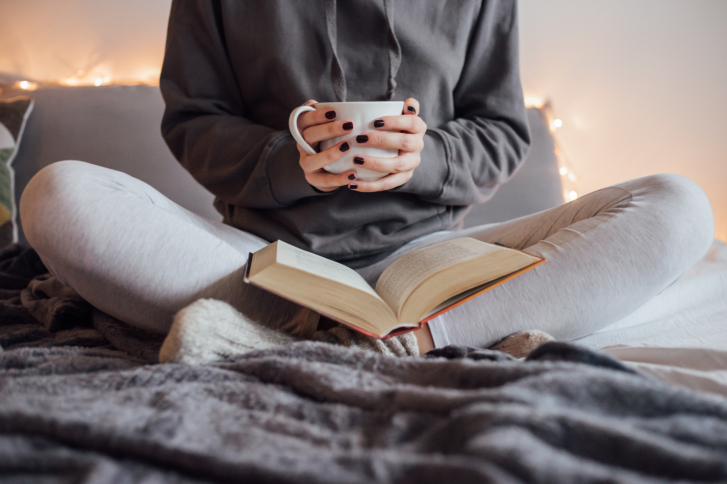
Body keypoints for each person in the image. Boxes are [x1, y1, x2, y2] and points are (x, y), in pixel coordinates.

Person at [19, 0, 714, 358]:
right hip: (260, 258)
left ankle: (401, 337)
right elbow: (192, 122)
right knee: (55, 194)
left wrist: (427, 159)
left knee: (679, 207)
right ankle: (410, 336)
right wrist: (292, 164)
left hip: (435, 262)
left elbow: (502, 132)